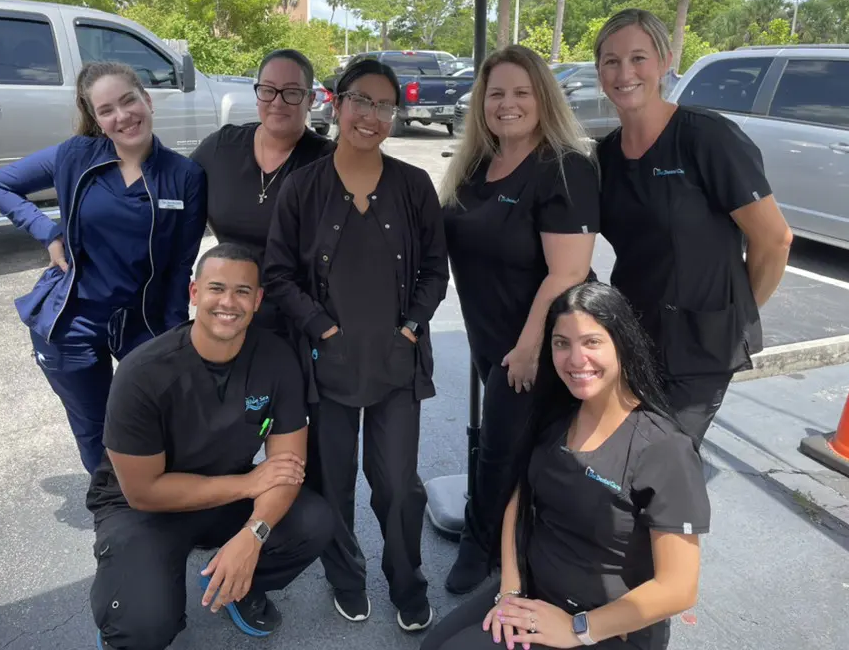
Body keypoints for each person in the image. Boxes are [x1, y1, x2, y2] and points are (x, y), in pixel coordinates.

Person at [421, 282, 710, 650]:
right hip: (533, 592)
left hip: (603, 626)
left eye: (591, 342)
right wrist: (510, 590)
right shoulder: (558, 415)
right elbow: (519, 499)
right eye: (561, 343)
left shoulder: (664, 449)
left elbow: (679, 588)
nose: (575, 359)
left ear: (623, 343)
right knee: (434, 646)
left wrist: (579, 627)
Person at [263, 58, 448, 631]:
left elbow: (435, 271)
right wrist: (323, 328)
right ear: (337, 103)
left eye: (384, 105)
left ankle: (406, 581)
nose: (371, 116)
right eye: (360, 101)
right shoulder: (303, 188)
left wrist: (412, 327)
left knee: (397, 485)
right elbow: (278, 275)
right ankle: (345, 577)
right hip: (327, 364)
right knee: (333, 480)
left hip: (396, 360)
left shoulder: (413, 186)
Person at [86, 242, 333, 649]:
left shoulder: (277, 359)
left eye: (242, 292)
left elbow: (288, 466)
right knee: (143, 626)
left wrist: (253, 534)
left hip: (221, 495)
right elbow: (144, 490)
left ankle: (241, 583)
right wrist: (248, 486)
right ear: (194, 293)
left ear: (258, 301)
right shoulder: (142, 374)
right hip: (142, 508)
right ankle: (132, 607)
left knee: (314, 522)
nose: (229, 302)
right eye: (217, 288)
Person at [0, 61, 207, 474]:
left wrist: (176, 342)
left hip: (142, 321)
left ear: (147, 99)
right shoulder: (74, 156)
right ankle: (112, 516)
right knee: (94, 432)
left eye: (128, 101)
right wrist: (47, 232)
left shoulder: (185, 176)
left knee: (155, 424)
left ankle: (160, 507)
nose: (122, 116)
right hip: (74, 321)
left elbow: (180, 268)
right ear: (96, 119)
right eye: (106, 110)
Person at [439, 45, 601, 594]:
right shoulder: (475, 165)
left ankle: (481, 547)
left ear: (544, 98)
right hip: (490, 336)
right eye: (496, 93)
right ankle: (515, 537)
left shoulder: (564, 167)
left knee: (502, 447)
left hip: (538, 343)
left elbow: (569, 272)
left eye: (521, 92)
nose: (507, 104)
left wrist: (530, 346)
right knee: (511, 444)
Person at [594, 9, 793, 446]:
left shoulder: (707, 138)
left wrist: (736, 313)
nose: (624, 72)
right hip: (631, 336)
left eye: (638, 58)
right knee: (622, 459)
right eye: (611, 61)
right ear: (600, 72)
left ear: (665, 62)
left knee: (665, 461)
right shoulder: (605, 156)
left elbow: (774, 239)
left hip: (700, 348)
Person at [191, 49, 331, 335]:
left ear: (311, 99)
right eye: (268, 90)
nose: (277, 102)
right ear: (257, 94)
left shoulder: (330, 162)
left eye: (292, 92)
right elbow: (164, 190)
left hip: (300, 319)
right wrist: (71, 219)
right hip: (229, 313)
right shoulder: (222, 148)